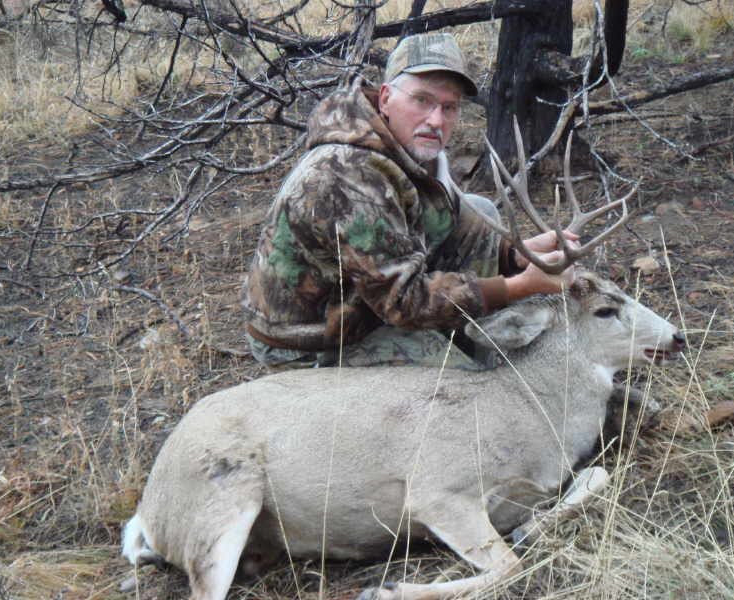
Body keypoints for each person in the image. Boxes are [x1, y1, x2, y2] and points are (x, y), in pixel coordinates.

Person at [241, 32, 578, 371]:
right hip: (311, 340)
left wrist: (514, 255)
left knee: (480, 210)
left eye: (450, 107)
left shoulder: (408, 150)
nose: (436, 120)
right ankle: (469, 364)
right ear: (385, 98)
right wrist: (518, 286)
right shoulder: (349, 174)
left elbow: (447, 226)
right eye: (422, 100)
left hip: (363, 303)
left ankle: (473, 344)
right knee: (461, 382)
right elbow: (402, 302)